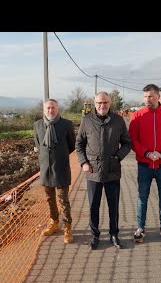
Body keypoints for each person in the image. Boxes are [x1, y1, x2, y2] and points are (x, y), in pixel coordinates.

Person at [75, 91, 132, 250]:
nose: (102, 105)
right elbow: (79, 144)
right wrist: (83, 162)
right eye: (99, 103)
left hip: (113, 170)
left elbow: (127, 143)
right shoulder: (87, 121)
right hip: (93, 170)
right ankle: (95, 235)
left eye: (105, 103)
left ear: (110, 103)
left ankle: (114, 234)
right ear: (95, 104)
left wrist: (118, 157)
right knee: (93, 205)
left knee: (113, 205)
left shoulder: (118, 120)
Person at [128, 84, 161, 243]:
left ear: (159, 97)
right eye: (145, 97)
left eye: (150, 96)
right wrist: (146, 153)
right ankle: (140, 228)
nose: (147, 99)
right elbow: (132, 140)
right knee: (142, 197)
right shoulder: (137, 115)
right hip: (144, 165)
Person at [33, 99, 76, 244]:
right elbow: (38, 145)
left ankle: (68, 227)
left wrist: (60, 156)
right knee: (49, 199)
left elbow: (71, 145)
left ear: (57, 109)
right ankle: (54, 223)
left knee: (63, 199)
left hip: (61, 168)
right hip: (45, 169)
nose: (50, 111)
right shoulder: (37, 125)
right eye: (48, 108)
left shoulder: (66, 125)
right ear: (44, 110)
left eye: (53, 108)